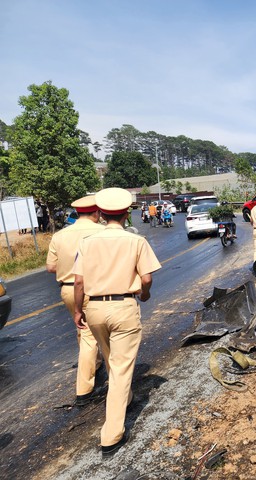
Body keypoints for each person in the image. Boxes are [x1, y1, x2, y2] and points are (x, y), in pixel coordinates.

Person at [73, 187, 161, 458]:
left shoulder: (87, 242)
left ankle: (127, 396)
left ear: (101, 215)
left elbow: (79, 281)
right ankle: (111, 434)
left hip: (95, 308)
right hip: (123, 306)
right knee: (121, 368)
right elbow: (146, 279)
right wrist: (144, 295)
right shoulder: (136, 241)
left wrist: (78, 310)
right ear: (126, 214)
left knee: (112, 360)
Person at [46, 195, 105, 406]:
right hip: (93, 287)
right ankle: (84, 390)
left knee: (82, 328)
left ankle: (95, 363)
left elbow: (51, 267)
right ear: (96, 213)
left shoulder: (60, 235)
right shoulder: (102, 232)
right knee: (93, 335)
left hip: (68, 290)